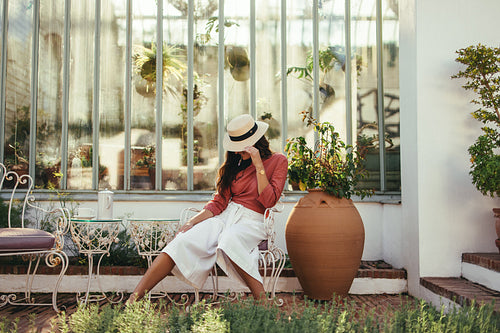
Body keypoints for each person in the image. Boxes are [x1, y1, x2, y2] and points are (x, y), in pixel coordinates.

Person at [127, 114, 288, 303]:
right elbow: (219, 202)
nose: (237, 153)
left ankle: (263, 304)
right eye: (234, 148)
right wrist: (191, 222)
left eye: (241, 148)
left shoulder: (278, 161)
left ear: (255, 142)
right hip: (226, 217)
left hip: (253, 221)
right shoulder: (234, 165)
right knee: (181, 242)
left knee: (230, 240)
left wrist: (258, 164)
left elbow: (269, 201)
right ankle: (133, 300)